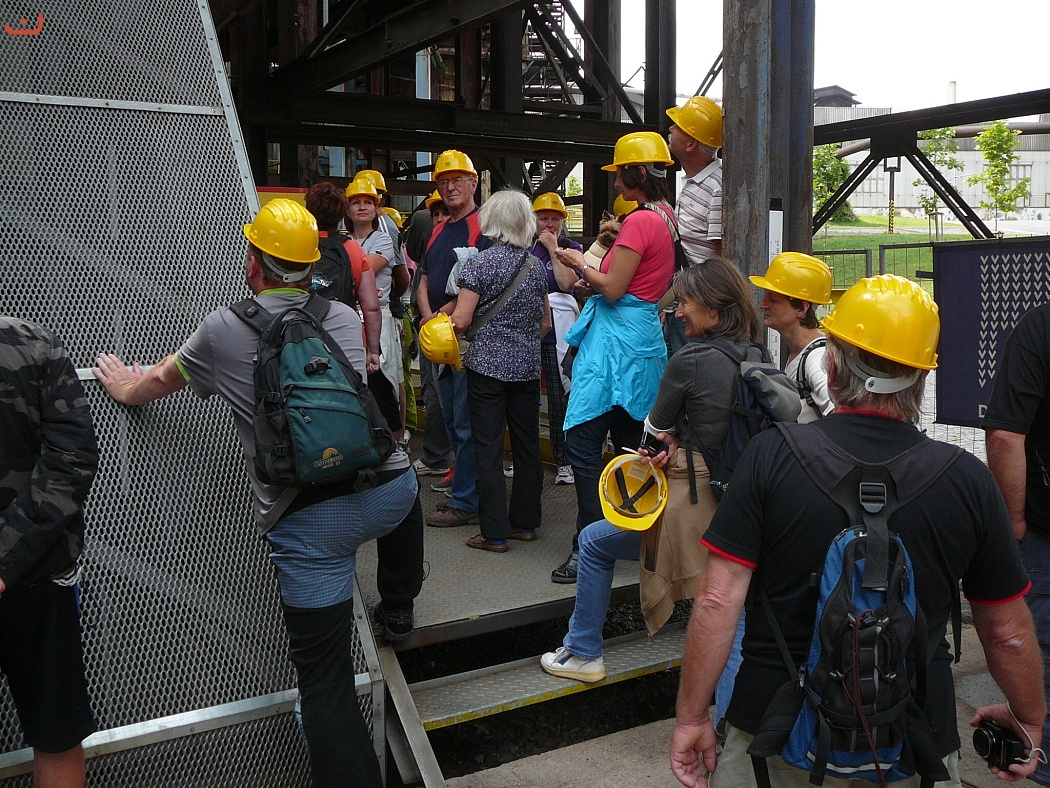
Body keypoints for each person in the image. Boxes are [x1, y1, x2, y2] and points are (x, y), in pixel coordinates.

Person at [670, 274, 1045, 788]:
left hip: (773, 733)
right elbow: (1007, 633)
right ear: (921, 376)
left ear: (832, 363)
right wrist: (1029, 718)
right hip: (917, 742)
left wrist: (692, 717)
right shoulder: (967, 481)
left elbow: (717, 600)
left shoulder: (770, 457)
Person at [92, 199, 417, 787]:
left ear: (254, 263)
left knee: (324, 682)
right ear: (311, 265)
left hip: (309, 522)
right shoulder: (344, 316)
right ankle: (400, 598)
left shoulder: (222, 328)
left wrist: (125, 386)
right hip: (387, 492)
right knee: (406, 490)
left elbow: (161, 379)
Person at [541, 260, 760, 682]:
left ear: (714, 311)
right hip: (741, 507)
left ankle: (583, 651)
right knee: (733, 615)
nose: (678, 311)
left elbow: (654, 429)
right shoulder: (756, 354)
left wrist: (670, 437)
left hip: (694, 507)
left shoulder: (690, 359)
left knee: (593, 541)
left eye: (687, 302)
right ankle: (731, 716)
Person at [547, 131, 677, 583]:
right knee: (631, 445)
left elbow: (614, 288)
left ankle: (587, 543)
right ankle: (631, 537)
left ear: (637, 173)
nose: (617, 184)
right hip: (644, 341)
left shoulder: (640, 221)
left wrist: (577, 262)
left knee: (582, 445)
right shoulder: (668, 217)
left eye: (620, 175)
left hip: (613, 346)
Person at [306, 182, 424, 643]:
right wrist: (372, 351)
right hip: (346, 358)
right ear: (341, 213)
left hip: (299, 372)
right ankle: (398, 607)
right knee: (398, 480)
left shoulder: (293, 249)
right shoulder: (352, 250)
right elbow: (372, 305)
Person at [0, 317, 99, 788]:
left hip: (37, 577)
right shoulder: (32, 341)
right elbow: (72, 456)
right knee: (56, 734)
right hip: (37, 570)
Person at [446, 190, 551, 552]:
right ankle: (525, 522)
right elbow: (545, 324)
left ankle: (494, 532)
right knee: (527, 446)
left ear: (491, 221)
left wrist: (444, 330)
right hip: (526, 369)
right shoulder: (536, 267)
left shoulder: (479, 264)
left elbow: (461, 319)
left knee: (488, 448)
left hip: (486, 370)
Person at [984, 300, 1050, 787]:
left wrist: (1014, 523)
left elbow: (1006, 435)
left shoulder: (1041, 326)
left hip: (1045, 536)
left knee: (1041, 663)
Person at [417, 150, 493, 528]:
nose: (450, 188)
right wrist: (427, 317)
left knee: (465, 423)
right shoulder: (438, 229)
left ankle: (467, 501)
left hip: (464, 341)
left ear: (473, 183)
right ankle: (462, 488)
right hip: (439, 338)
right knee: (450, 419)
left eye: (457, 180)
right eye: (444, 182)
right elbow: (424, 278)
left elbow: (474, 288)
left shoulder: (483, 227)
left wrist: (439, 317)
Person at [346, 176, 408, 447]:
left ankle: (396, 441)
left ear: (377, 209)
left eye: (368, 202)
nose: (362, 207)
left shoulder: (382, 239)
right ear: (347, 210)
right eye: (356, 202)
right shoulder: (344, 241)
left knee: (386, 379)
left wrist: (342, 274)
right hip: (351, 318)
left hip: (379, 317)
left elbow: (364, 269)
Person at [530, 192, 584, 485]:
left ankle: (564, 461)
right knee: (524, 396)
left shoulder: (571, 249)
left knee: (558, 396)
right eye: (543, 219)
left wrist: (553, 249)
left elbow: (566, 283)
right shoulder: (525, 247)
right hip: (528, 329)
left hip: (557, 333)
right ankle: (525, 459)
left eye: (554, 219)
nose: (548, 225)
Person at [663, 96, 724, 355]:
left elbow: (721, 258)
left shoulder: (716, 187)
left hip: (699, 310)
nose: (670, 128)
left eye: (678, 126)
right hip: (685, 304)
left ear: (690, 144)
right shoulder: (695, 182)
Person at [750, 252, 834, 423]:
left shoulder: (816, 359)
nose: (763, 304)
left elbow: (841, 416)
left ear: (801, 309)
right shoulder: (800, 352)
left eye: (773, 300)